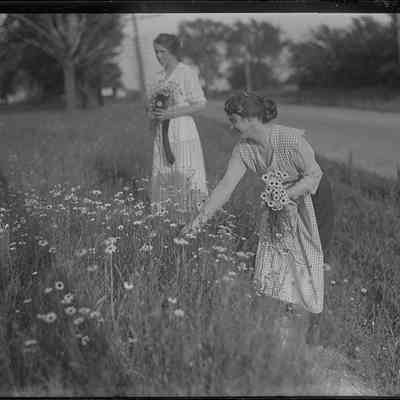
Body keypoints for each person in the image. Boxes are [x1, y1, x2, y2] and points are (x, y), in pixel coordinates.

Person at [182, 91, 327, 350]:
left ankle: (308, 333)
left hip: (312, 201)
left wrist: (287, 194)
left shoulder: (291, 140)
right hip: (279, 206)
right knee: (277, 259)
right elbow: (225, 187)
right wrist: (198, 221)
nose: (231, 125)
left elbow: (314, 175)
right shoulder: (244, 149)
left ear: (251, 119)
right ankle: (283, 331)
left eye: (234, 119)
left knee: (306, 260)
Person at [147, 33, 208, 222]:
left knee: (184, 168)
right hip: (162, 130)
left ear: (173, 51)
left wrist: (172, 114)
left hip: (182, 129)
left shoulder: (186, 72)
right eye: (156, 52)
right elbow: (152, 104)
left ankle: (190, 217)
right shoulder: (157, 77)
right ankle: (164, 216)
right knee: (164, 170)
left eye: (162, 52)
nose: (159, 56)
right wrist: (152, 112)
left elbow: (200, 104)